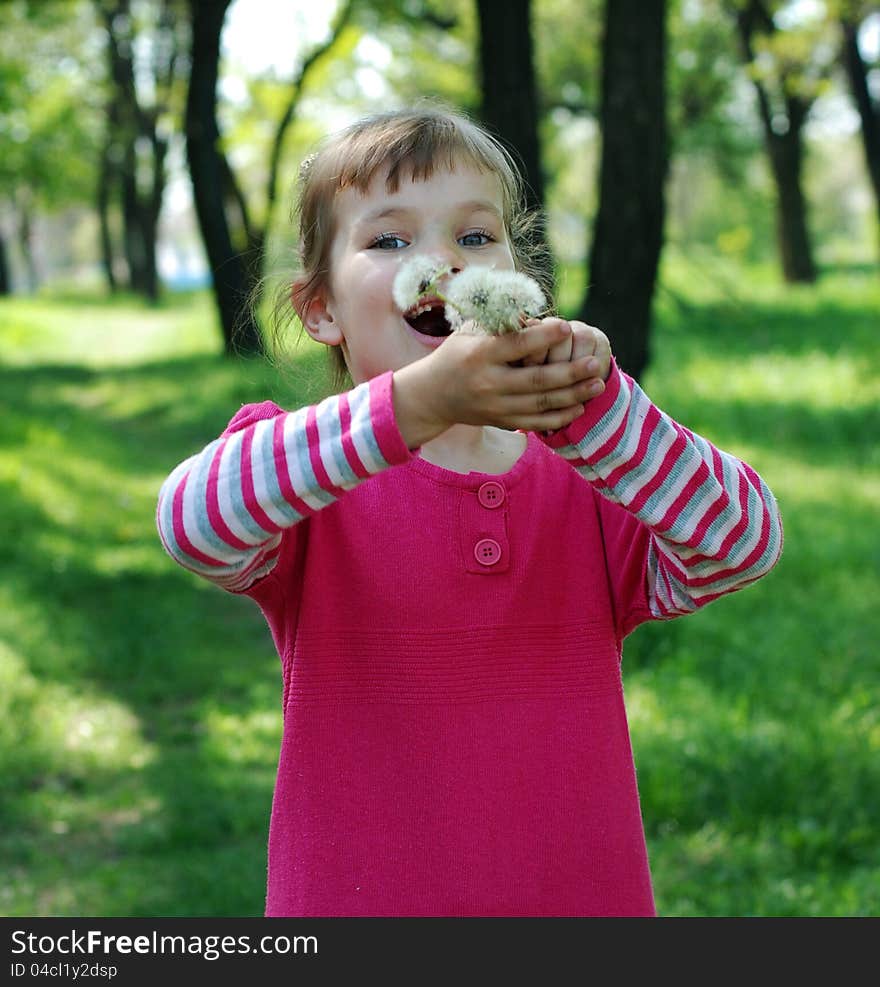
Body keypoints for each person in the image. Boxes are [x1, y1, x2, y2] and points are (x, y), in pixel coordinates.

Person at [156, 104, 783, 917]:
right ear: (321, 310)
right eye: (389, 240)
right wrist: (411, 405)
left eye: (476, 237)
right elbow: (192, 524)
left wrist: (592, 409)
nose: (441, 261)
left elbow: (743, 543)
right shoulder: (305, 477)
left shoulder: (593, 479)